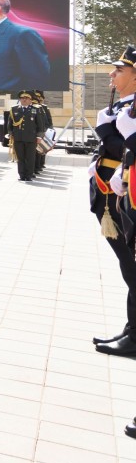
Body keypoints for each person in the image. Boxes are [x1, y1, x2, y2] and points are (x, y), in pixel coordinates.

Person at [93, 47, 136, 358]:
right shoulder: (125, 106)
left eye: (119, 69)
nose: (112, 74)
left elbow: (123, 149)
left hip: (123, 195)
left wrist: (107, 130)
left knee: (132, 265)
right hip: (115, 195)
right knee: (128, 265)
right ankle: (132, 327)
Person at [8, 90, 40, 182]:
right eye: (22, 98)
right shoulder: (14, 109)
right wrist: (10, 133)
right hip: (18, 137)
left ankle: (29, 175)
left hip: (31, 138)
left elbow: (40, 125)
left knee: (30, 158)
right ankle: (21, 175)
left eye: (27, 98)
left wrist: (39, 137)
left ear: (31, 100)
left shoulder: (36, 109)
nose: (24, 100)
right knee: (20, 157)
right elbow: (10, 123)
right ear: (19, 99)